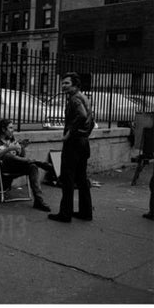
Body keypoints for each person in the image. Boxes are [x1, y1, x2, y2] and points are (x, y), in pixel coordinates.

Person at [48, 72, 94, 223]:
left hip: (74, 143)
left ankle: (65, 213)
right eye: (62, 83)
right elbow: (91, 121)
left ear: (75, 85)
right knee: (81, 178)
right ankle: (85, 212)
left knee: (68, 178)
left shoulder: (74, 99)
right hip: (83, 142)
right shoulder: (83, 97)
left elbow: (81, 116)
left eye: (67, 83)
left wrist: (69, 133)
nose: (63, 86)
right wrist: (85, 134)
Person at [0, 119, 52, 212]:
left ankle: (39, 200)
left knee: (32, 167)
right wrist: (9, 149)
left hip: (15, 165)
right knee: (8, 156)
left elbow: (20, 156)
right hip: (0, 166)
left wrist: (21, 149)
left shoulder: (11, 139)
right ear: (3, 129)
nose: (13, 130)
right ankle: (36, 162)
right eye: (10, 128)